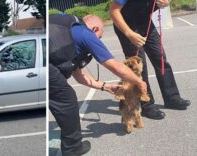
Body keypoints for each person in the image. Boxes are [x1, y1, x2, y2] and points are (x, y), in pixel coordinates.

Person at [49, 14, 148, 156]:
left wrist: (105, 86)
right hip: (46, 65)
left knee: (62, 96)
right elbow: (115, 66)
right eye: (100, 37)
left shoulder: (70, 31)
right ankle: (73, 149)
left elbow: (79, 75)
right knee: (66, 99)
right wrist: (139, 81)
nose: (99, 40)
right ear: (95, 29)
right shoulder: (86, 34)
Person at [110, 0, 191, 120]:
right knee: (139, 67)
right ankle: (147, 105)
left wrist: (165, 3)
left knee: (161, 59)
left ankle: (172, 98)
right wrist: (129, 33)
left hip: (145, 22)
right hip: (126, 26)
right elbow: (113, 10)